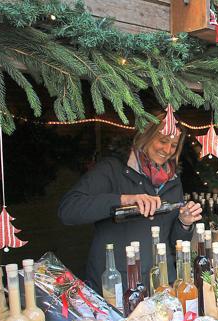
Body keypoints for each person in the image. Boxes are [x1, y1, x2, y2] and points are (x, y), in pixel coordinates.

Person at [58, 112, 202, 293]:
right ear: (146, 136)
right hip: (118, 285)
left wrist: (184, 223)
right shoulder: (112, 169)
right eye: (162, 141)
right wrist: (124, 199)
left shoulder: (173, 181)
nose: (167, 150)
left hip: (162, 284)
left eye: (173, 145)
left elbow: (175, 242)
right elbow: (68, 210)